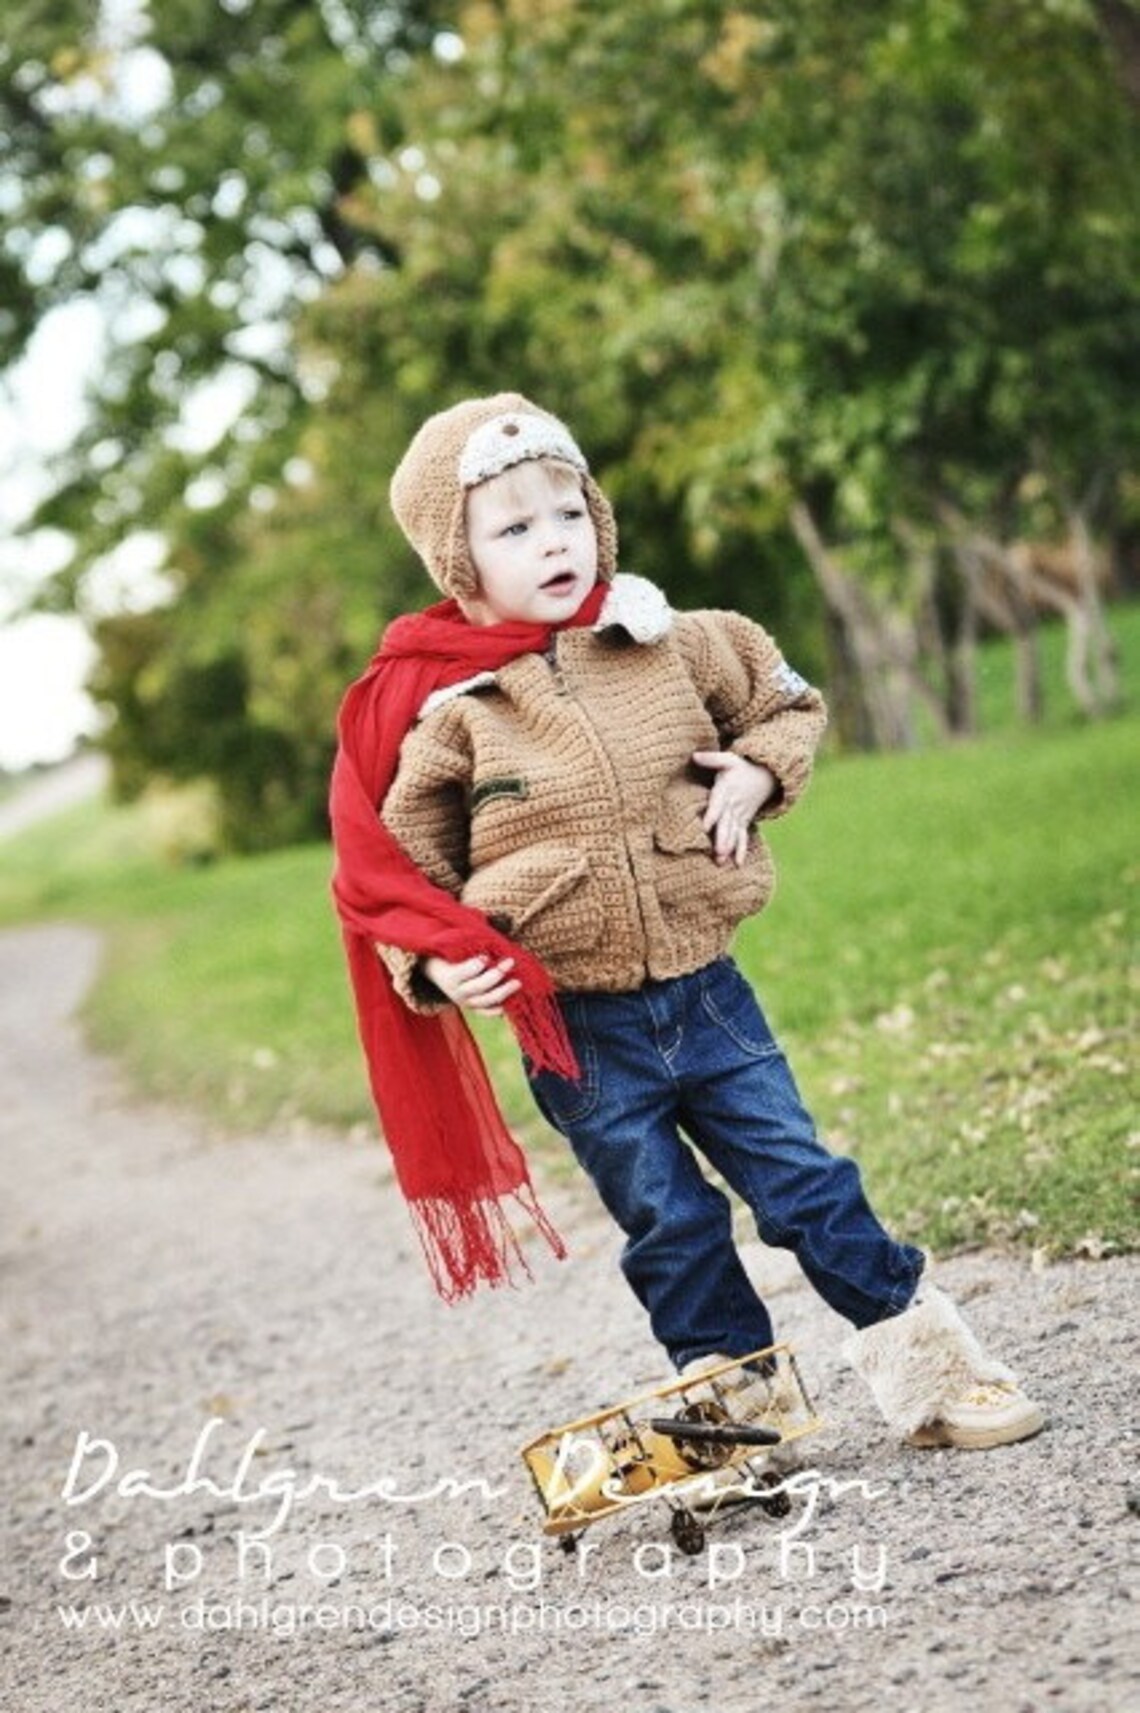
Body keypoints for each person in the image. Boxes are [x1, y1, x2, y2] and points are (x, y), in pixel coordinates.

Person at [330, 392, 1044, 1451]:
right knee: (667, 1219)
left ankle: (933, 1367)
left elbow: (787, 701)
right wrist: (438, 971)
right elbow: (400, 876)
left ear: (599, 517)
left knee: (801, 1180)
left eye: (568, 512)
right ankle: (742, 1395)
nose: (552, 541)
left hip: (706, 995)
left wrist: (758, 772)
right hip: (575, 1030)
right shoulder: (459, 714)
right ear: (459, 561)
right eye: (513, 528)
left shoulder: (669, 642)